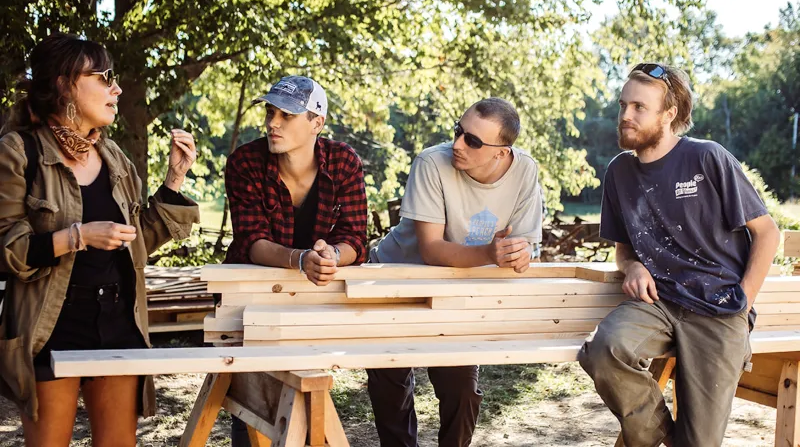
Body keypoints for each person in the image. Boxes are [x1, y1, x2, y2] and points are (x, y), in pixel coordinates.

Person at [0, 33, 200, 446]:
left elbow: (135, 240)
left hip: (118, 318)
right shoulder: (18, 153)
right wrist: (77, 237)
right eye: (104, 77)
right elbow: (6, 248)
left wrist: (174, 181)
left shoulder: (114, 158)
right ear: (64, 83)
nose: (117, 88)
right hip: (51, 324)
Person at [578, 63, 781, 447]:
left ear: (669, 114)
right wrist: (633, 265)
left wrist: (743, 304)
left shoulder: (707, 158)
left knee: (701, 441)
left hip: (719, 309)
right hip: (658, 303)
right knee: (605, 350)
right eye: (623, 105)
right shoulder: (619, 172)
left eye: (639, 107)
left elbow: (768, 234)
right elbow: (623, 248)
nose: (625, 116)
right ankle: (660, 435)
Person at [368, 97, 544, 446]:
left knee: (463, 390)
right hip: (396, 275)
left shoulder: (526, 171)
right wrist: (492, 253)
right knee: (391, 387)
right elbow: (432, 249)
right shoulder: (431, 163)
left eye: (473, 141)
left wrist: (521, 254)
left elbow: (527, 245)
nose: (458, 144)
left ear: (502, 152)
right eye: (458, 131)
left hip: (458, 287)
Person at [224, 75, 368, 445]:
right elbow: (252, 241)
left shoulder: (344, 162)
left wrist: (332, 256)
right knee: (251, 404)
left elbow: (355, 238)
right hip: (251, 294)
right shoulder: (245, 162)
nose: (273, 122)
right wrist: (300, 258)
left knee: (304, 395)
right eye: (271, 112)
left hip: (315, 295)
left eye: (286, 115)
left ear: (316, 123)